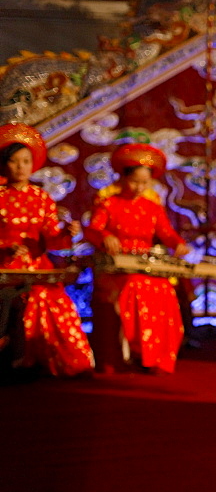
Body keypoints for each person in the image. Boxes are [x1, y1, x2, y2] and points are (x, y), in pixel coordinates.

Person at [85, 143, 190, 373]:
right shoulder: (108, 204)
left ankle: (155, 356)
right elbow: (91, 230)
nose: (139, 187)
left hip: (145, 265)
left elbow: (166, 232)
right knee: (136, 286)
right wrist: (105, 236)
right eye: (134, 181)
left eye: (145, 183)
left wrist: (178, 244)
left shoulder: (152, 207)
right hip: (118, 267)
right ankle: (136, 349)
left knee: (165, 289)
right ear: (122, 178)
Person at [0, 123, 93, 376]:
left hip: (38, 266)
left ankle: (47, 360)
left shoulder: (42, 198)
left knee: (51, 298)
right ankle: (16, 361)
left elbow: (51, 237)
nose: (21, 167)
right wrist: (6, 248)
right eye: (15, 161)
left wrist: (65, 233)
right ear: (4, 165)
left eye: (26, 161)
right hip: (5, 267)